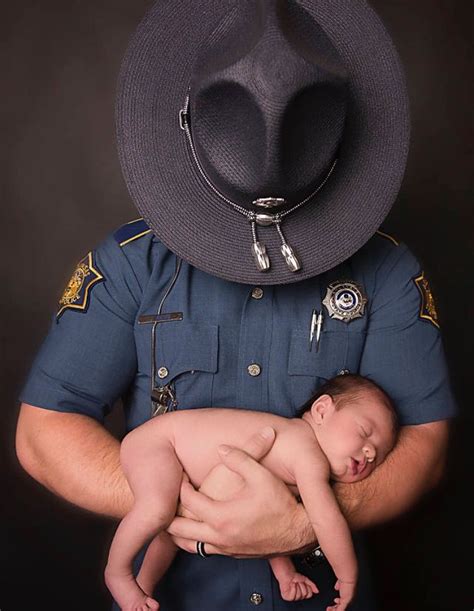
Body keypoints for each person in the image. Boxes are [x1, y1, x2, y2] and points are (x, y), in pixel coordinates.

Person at [15, 2, 456, 610]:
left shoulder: (386, 271)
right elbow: (43, 433)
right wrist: (179, 505)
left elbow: (425, 446)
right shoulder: (131, 262)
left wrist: (301, 520)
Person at [104, 374, 398, 611]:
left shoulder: (291, 459)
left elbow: (264, 522)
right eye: (364, 431)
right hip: (160, 444)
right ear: (321, 410)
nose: (371, 452)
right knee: (156, 510)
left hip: (171, 454)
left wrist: (285, 574)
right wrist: (347, 577)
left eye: (381, 454)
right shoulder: (306, 451)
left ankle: (142, 588)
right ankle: (117, 573)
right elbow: (325, 521)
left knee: (167, 534)